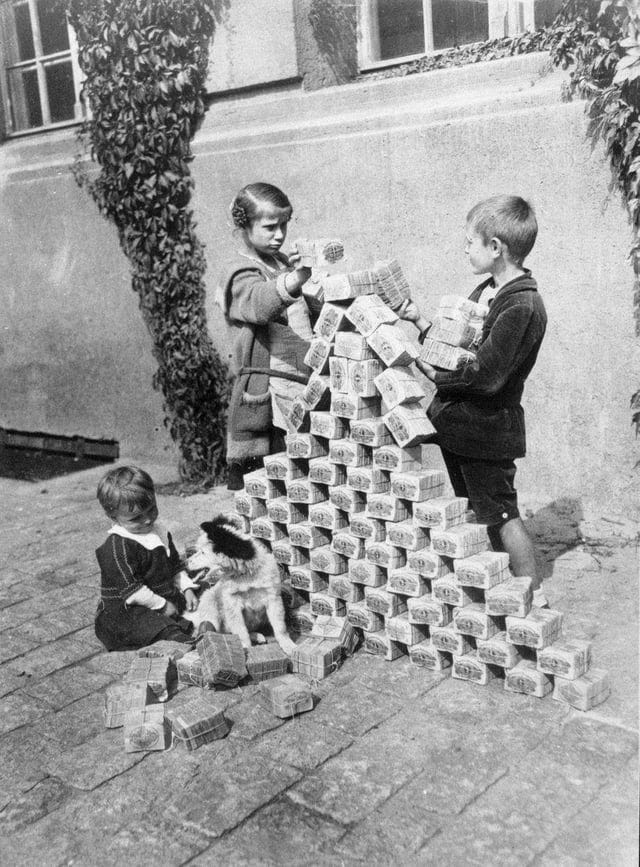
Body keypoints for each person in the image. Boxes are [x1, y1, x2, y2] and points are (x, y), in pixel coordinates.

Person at [400, 195, 548, 604]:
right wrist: (420, 322)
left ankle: (532, 595)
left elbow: (486, 375)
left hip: (487, 429)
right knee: (473, 509)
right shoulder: (489, 290)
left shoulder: (522, 305)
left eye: (470, 242)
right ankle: (494, 586)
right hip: (460, 426)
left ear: (496, 247)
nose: (464, 248)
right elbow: (461, 350)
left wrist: (437, 377)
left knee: (500, 513)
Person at [216, 182, 320, 490]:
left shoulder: (283, 263)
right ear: (244, 226)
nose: (279, 235)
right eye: (270, 227)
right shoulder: (239, 272)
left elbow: (303, 312)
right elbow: (259, 304)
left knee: (306, 470)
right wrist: (298, 279)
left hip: (299, 379)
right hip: (270, 388)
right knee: (274, 474)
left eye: (284, 226)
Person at [94, 465, 200, 651]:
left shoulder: (159, 533)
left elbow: (175, 566)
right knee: (149, 623)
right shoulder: (117, 547)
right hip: (127, 609)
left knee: (199, 596)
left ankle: (187, 626)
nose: (147, 520)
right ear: (114, 516)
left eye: (152, 510)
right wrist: (162, 605)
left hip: (160, 598)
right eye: (136, 518)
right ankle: (176, 636)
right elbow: (133, 591)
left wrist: (187, 588)